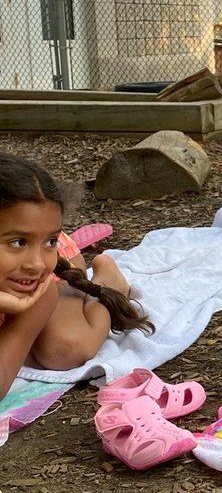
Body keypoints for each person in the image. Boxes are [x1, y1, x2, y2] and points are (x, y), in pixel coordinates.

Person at [0, 154, 152, 399]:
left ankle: (106, 280)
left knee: (64, 350)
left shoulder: (39, 285)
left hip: (61, 266)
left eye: (50, 240)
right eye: (18, 242)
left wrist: (53, 248)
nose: (37, 263)